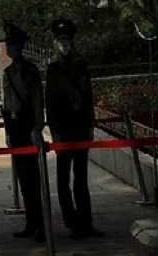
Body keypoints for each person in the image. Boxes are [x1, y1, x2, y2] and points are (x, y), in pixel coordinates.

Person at [45, 18, 103, 239]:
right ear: (55, 42)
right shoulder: (53, 70)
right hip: (64, 131)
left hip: (79, 130)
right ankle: (71, 221)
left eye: (67, 39)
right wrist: (55, 134)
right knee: (63, 180)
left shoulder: (81, 66)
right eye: (60, 40)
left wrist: (90, 126)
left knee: (81, 179)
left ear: (72, 41)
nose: (64, 43)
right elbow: (50, 104)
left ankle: (85, 222)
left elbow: (88, 98)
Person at [0, 22, 46, 242]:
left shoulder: (30, 71)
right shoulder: (7, 72)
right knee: (22, 178)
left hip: (28, 127)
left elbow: (37, 101)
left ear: (18, 47)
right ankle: (30, 222)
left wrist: (38, 128)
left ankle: (41, 225)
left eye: (10, 44)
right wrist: (7, 131)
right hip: (15, 128)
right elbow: (7, 106)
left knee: (34, 179)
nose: (8, 48)